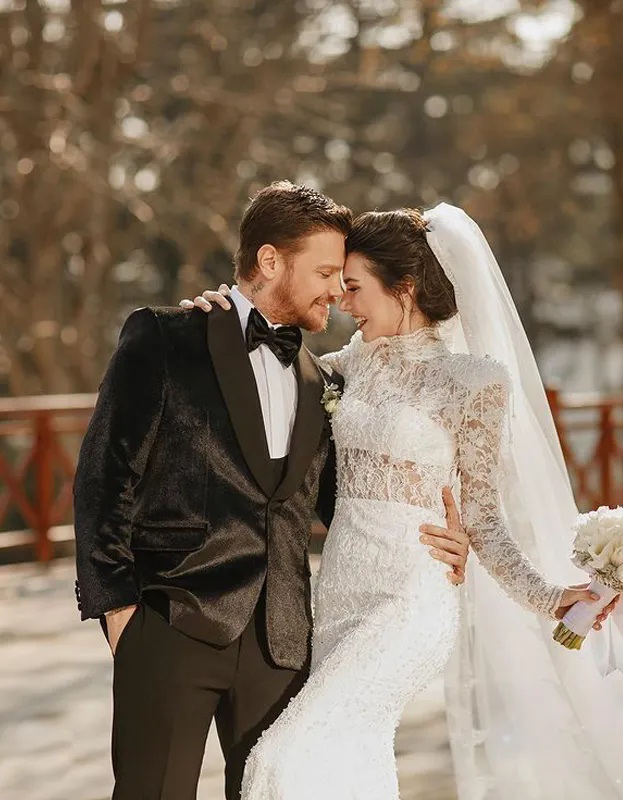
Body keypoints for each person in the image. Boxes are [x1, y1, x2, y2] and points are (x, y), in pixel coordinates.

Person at [185, 202, 623, 800]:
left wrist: (550, 597)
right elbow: (261, 366)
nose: (342, 302)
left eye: (354, 287)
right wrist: (214, 317)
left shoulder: (475, 381)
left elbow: (484, 519)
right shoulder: (340, 369)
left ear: (407, 289)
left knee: (283, 759)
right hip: (336, 596)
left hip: (409, 600)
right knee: (352, 760)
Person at [72, 183, 476, 800]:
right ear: (268, 262)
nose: (338, 292)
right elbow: (105, 478)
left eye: (344, 278)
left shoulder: (324, 377)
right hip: (172, 622)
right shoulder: (165, 337)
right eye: (324, 272)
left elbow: (350, 496)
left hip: (282, 643)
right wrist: (120, 612)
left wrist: (441, 539)